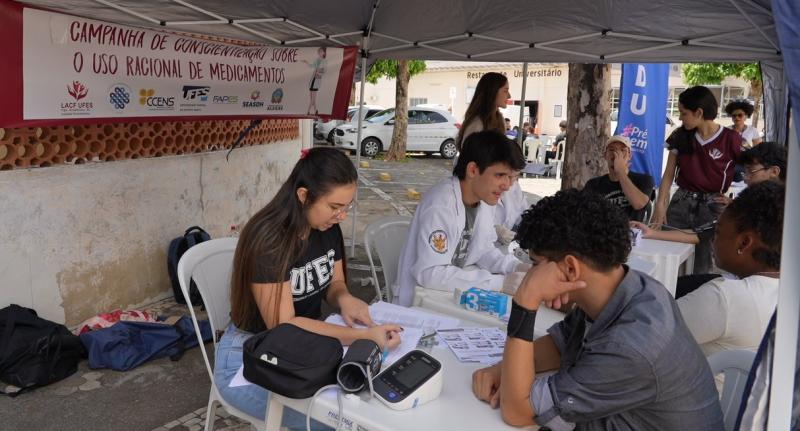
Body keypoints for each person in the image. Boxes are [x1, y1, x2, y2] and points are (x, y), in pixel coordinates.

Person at [471, 189, 724, 430]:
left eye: (535, 264)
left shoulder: (630, 346)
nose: (530, 273)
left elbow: (517, 412)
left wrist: (526, 301)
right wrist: (501, 369)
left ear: (570, 268)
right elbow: (558, 346)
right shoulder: (628, 286)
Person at [215, 148, 402, 424]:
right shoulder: (269, 241)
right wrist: (364, 337)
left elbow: (334, 282)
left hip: (306, 347)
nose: (341, 216)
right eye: (334, 207)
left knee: (366, 404)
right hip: (250, 358)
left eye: (346, 207)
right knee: (337, 422)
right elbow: (285, 325)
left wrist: (344, 298)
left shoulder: (326, 229)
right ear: (304, 196)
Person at [393, 131, 529, 307]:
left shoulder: (484, 201)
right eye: (500, 175)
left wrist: (515, 267)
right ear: (473, 170)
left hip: (450, 297)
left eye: (512, 178)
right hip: (420, 303)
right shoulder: (441, 204)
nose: (507, 186)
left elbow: (484, 250)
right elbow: (430, 273)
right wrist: (499, 283)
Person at [676, 181, 783, 356]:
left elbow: (644, 337)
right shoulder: (785, 295)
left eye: (718, 232)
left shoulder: (725, 298)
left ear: (744, 243)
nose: (712, 241)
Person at [651, 86, 743, 274]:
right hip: (680, 201)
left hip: (712, 205)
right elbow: (668, 173)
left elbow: (753, 171)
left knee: (703, 262)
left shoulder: (731, 139)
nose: (680, 118)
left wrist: (735, 202)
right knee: (667, 254)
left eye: (683, 113)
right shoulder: (680, 135)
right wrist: (660, 204)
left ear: (699, 112)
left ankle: (695, 298)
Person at [630, 141, 786, 246]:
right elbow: (703, 233)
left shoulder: (786, 210)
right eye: (745, 172)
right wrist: (650, 232)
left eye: (751, 171)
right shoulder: (750, 204)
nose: (746, 180)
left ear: (774, 171)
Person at [455, 72, 528, 231]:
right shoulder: (477, 124)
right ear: (492, 91)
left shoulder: (498, 119)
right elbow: (470, 161)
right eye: (505, 90)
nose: (508, 95)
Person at [583, 135, 654, 221]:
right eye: (612, 150)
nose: (616, 154)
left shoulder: (644, 180)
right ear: (605, 155)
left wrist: (620, 171)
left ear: (629, 156)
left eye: (622, 150)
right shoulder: (593, 184)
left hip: (631, 232)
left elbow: (639, 204)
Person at [302, 47, 327, 115]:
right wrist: (306, 62)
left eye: (321, 51)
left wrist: (319, 73)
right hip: (313, 79)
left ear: (324, 53)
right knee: (312, 98)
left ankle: (308, 111)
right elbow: (312, 66)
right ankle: (316, 110)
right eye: (319, 51)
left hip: (317, 79)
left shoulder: (324, 61)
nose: (319, 52)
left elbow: (324, 71)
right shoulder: (317, 60)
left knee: (313, 98)